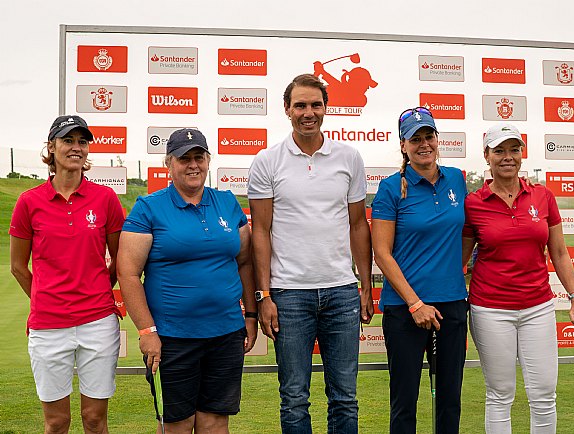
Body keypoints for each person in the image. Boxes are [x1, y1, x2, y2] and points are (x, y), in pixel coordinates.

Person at [248, 73, 373, 434]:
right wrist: (265, 295)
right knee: (294, 399)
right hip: (288, 296)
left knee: (345, 399)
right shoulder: (267, 161)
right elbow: (261, 231)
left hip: (341, 291)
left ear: (326, 108)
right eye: (300, 105)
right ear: (286, 109)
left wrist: (365, 286)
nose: (308, 112)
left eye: (315, 104)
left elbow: (357, 225)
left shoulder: (349, 157)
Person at [117, 129, 257, 434]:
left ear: (208, 161)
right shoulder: (149, 207)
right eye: (184, 159)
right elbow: (127, 273)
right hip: (172, 337)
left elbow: (245, 261)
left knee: (215, 422)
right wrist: (146, 330)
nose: (193, 165)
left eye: (199, 157)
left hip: (226, 333)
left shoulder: (227, 202)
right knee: (176, 425)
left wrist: (250, 314)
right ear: (169, 163)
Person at [462, 123, 574, 433]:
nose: (508, 156)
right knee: (500, 395)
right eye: (500, 150)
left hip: (538, 308)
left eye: (514, 149)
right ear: (487, 156)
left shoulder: (543, 196)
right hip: (490, 309)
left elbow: (559, 253)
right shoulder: (473, 203)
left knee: (544, 395)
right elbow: (460, 260)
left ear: (522, 154)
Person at [9, 115, 124, 434]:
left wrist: (100, 291)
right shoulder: (28, 202)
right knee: (57, 422)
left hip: (98, 324)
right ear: (51, 147)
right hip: (48, 327)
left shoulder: (106, 199)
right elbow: (18, 266)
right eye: (68, 140)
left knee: (94, 419)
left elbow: (120, 259)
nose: (76, 147)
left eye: (82, 141)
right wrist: (47, 300)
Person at [371, 107, 469, 433]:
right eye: (415, 139)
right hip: (405, 310)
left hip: (451, 305)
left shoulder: (456, 179)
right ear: (403, 145)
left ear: (437, 139)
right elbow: (382, 254)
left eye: (428, 136)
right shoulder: (390, 188)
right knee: (404, 402)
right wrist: (415, 303)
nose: (423, 144)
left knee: (450, 400)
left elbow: (468, 233)